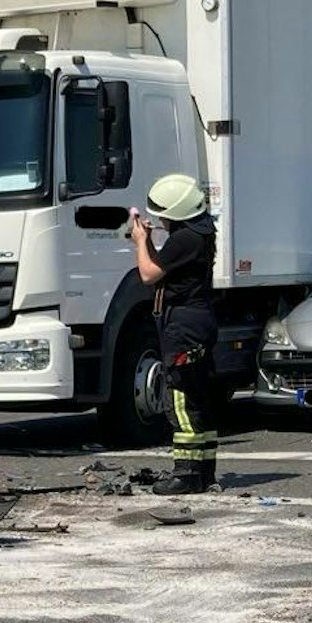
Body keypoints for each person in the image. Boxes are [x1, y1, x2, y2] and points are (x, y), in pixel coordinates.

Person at [131, 173, 219, 494]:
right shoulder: (200, 232)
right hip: (198, 321)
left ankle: (185, 474)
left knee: (179, 398)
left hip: (183, 325)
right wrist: (153, 243)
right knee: (199, 396)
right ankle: (204, 471)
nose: (161, 219)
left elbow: (148, 273)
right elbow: (165, 266)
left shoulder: (184, 239)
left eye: (164, 213)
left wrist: (141, 242)